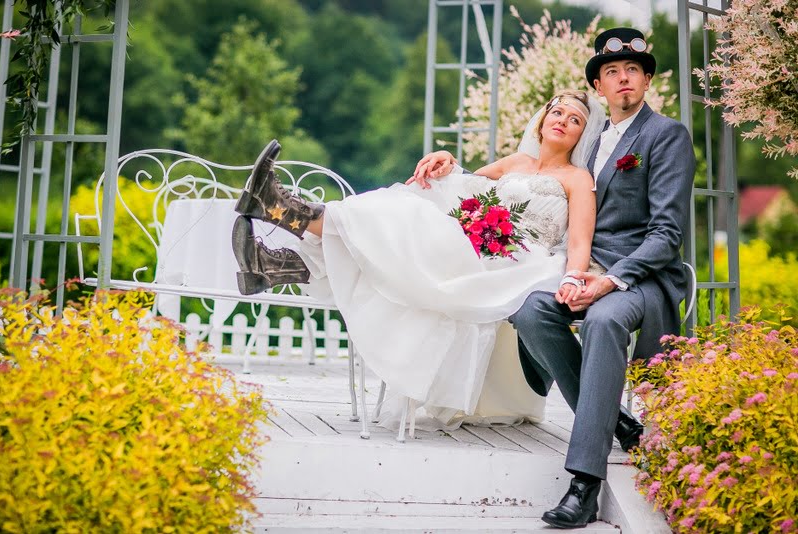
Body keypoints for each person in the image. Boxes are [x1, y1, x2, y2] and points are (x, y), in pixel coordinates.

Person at [230, 90, 605, 428]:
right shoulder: (515, 162)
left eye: (575, 121)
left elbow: (579, 242)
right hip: (481, 244)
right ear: (542, 120)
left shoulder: (577, 179)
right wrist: (446, 162)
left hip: (520, 262)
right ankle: (277, 252)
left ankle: (280, 241)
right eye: (558, 112)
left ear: (581, 135)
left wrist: (574, 277)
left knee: (406, 226)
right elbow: (465, 186)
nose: (563, 121)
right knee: (401, 219)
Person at [498, 28, 697, 529]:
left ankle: (584, 485)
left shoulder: (665, 135)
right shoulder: (586, 147)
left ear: (647, 80)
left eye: (632, 70)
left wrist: (610, 280)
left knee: (606, 321)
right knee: (528, 309)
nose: (623, 78)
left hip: (643, 278)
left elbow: (667, 233)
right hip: (585, 270)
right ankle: (620, 423)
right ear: (600, 87)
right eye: (612, 72)